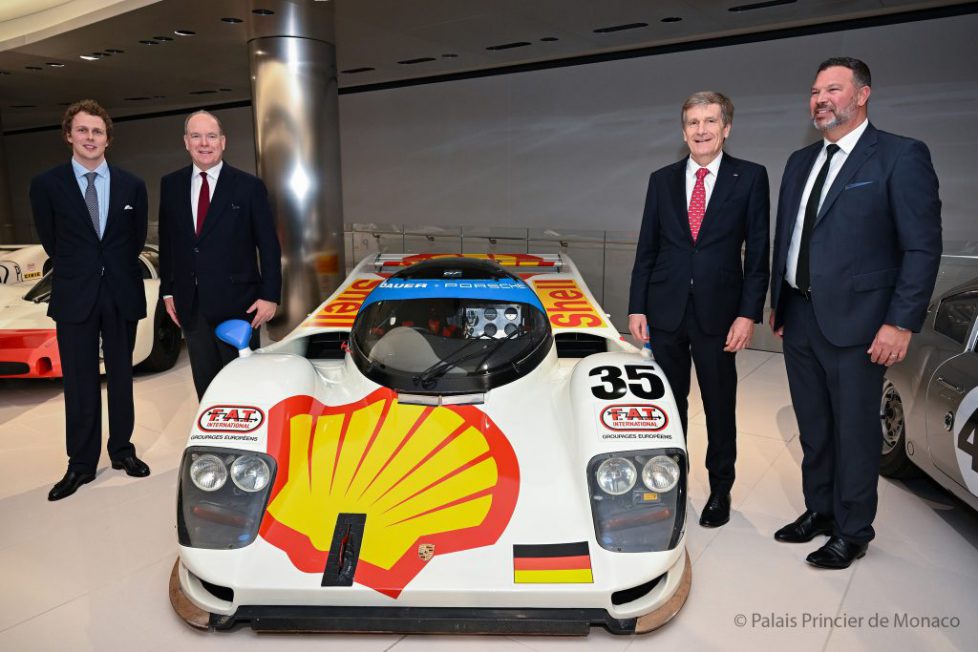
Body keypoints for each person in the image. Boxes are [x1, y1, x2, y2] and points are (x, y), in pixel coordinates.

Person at [769, 57, 941, 568]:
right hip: (799, 316)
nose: (821, 99)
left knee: (855, 432)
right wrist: (780, 300)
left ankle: (853, 528)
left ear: (862, 95)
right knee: (815, 428)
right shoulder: (800, 161)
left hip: (863, 324)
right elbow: (792, 238)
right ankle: (819, 510)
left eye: (833, 89)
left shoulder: (899, 156)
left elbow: (921, 248)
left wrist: (901, 321)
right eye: (815, 90)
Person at [628, 91, 770, 528]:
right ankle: (670, 483)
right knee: (668, 406)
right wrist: (637, 307)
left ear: (726, 127)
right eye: (693, 122)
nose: (702, 130)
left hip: (720, 316)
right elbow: (647, 247)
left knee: (719, 404)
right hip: (665, 310)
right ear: (683, 130)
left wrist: (748, 314)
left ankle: (720, 489)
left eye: (711, 121)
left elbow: (759, 252)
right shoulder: (662, 179)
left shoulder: (750, 178)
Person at [30, 99, 151, 501]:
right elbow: (52, 241)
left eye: (97, 131)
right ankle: (80, 465)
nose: (90, 138)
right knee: (80, 382)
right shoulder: (46, 185)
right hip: (75, 294)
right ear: (69, 136)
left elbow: (133, 241)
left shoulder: (132, 184)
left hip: (120, 291)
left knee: (121, 377)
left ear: (108, 138)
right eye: (82, 130)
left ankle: (122, 451)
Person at [158, 110, 282, 399]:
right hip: (191, 304)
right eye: (196, 136)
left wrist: (271, 294)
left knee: (243, 385)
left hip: (241, 304)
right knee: (206, 383)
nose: (205, 143)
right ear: (186, 142)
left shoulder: (249, 187)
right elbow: (168, 242)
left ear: (223, 142)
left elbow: (269, 244)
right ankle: (211, 442)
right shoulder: (171, 185)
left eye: (211, 136)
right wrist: (167, 291)